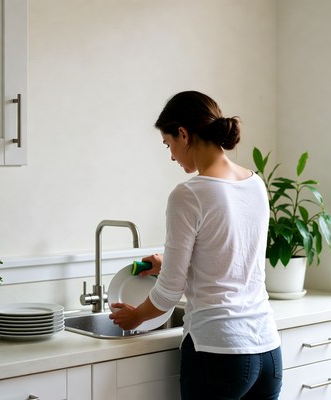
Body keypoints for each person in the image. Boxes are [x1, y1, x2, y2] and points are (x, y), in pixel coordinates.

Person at [109, 91, 282, 399]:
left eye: (168, 144)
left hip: (218, 352)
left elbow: (168, 292)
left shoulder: (188, 194)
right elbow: (236, 263)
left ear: (184, 134)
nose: (172, 155)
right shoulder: (255, 184)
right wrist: (171, 267)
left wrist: (135, 317)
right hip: (267, 351)